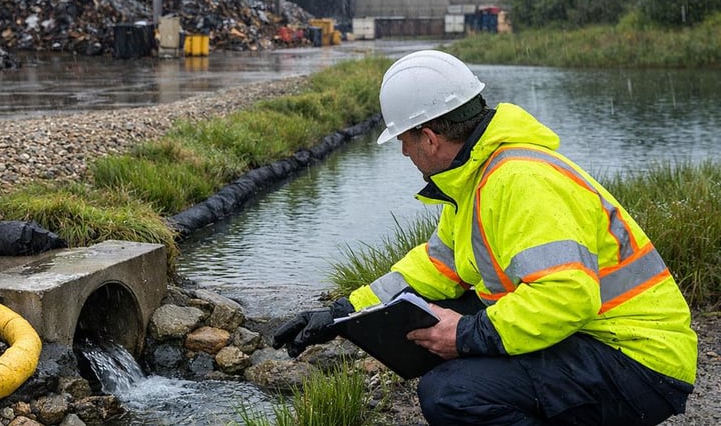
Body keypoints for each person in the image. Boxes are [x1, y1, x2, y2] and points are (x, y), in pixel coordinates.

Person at [271, 50, 697, 425]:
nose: (404, 153)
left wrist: (466, 335)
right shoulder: (476, 178)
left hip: (639, 363)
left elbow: (565, 297)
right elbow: (436, 267)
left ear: (431, 138)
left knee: (452, 394)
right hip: (594, 337)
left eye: (404, 140)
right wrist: (343, 313)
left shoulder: (520, 180)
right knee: (419, 315)